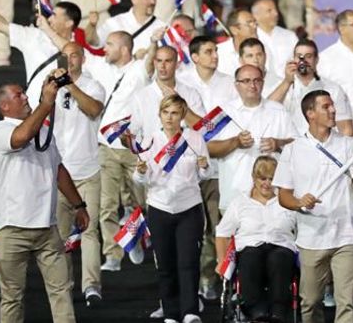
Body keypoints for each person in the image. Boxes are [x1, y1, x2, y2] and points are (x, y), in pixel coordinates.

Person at [0, 79, 91, 323]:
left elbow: (58, 170)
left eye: (24, 93)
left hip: (47, 225)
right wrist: (46, 103)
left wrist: (79, 205)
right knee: (12, 296)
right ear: (4, 106)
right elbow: (21, 137)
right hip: (12, 228)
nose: (25, 98)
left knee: (62, 291)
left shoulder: (43, 131)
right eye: (18, 95)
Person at [273, 89, 353, 323]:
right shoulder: (293, 149)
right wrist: (299, 202)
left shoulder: (350, 145)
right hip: (311, 238)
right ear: (310, 114)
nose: (333, 110)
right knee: (310, 302)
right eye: (326, 106)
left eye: (332, 105)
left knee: (347, 303)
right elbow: (283, 196)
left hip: (346, 236)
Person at [133, 95, 209, 323]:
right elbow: (139, 179)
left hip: (189, 208)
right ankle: (171, 312)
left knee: (188, 263)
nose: (170, 117)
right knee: (165, 265)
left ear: (182, 115)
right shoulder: (149, 141)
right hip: (160, 207)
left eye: (175, 113)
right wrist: (141, 171)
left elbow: (204, 174)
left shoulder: (194, 139)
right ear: (159, 114)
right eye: (166, 112)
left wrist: (204, 167)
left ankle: (190, 311)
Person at [83, 30, 152, 271]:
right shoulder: (101, 65)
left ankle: (134, 236)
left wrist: (153, 43)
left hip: (132, 146)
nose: (105, 48)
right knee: (106, 204)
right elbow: (72, 48)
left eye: (110, 44)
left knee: (141, 202)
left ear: (124, 49)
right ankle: (112, 254)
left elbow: (151, 62)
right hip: (105, 147)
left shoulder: (139, 70)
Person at [176, 34, 239, 299]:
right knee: (189, 228)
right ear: (195, 56)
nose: (216, 55)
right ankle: (191, 282)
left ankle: (213, 277)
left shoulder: (229, 84)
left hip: (218, 165)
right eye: (210, 51)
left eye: (216, 50)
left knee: (217, 225)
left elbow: (229, 121)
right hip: (185, 165)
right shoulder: (181, 84)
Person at [52, 42, 107, 308]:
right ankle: (64, 286)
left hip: (88, 171)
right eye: (65, 56)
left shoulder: (93, 85)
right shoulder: (49, 84)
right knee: (60, 235)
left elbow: (94, 109)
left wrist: (69, 85)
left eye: (74, 55)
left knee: (90, 230)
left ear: (83, 59)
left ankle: (91, 286)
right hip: (59, 172)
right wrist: (51, 88)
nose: (69, 60)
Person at [215, 155, 297, 321]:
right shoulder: (240, 202)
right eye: (262, 178)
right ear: (253, 178)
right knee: (251, 256)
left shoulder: (287, 202)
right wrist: (222, 260)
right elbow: (222, 233)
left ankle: (278, 311)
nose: (267, 183)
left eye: (271, 179)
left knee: (278, 258)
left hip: (281, 246)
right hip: (250, 247)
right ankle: (255, 309)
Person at [208, 64, 296, 210]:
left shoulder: (279, 110)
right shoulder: (221, 112)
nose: (252, 85)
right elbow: (204, 147)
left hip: (273, 199)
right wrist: (235, 142)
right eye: (246, 81)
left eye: (257, 80)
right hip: (234, 198)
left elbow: (298, 145)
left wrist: (278, 143)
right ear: (236, 85)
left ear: (263, 83)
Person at [270, 38, 353, 135]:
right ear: (293, 59)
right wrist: (287, 81)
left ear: (316, 59)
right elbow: (267, 110)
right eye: (299, 56)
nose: (303, 60)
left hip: (325, 147)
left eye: (308, 56)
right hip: (291, 146)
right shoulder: (283, 87)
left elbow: (346, 128)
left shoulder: (333, 89)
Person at [94, 0, 167, 57]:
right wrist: (92, 26)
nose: (153, 1)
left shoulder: (163, 27)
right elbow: (95, 43)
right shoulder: (114, 22)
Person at [253, 0, 299, 78]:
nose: (275, 13)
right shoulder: (252, 38)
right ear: (256, 16)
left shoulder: (289, 36)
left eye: (275, 9)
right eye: (269, 11)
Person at [217, 8, 272, 75]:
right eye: (249, 23)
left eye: (255, 23)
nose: (255, 26)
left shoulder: (265, 48)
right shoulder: (218, 53)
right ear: (234, 30)